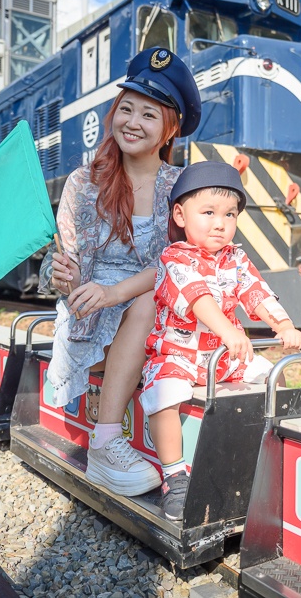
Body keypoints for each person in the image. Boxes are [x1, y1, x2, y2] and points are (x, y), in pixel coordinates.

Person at [39, 47, 202, 497]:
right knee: (146, 301)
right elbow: (67, 267)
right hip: (93, 311)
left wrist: (118, 294)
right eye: (125, 108)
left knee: (153, 297)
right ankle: (106, 444)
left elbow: (180, 265)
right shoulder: (82, 182)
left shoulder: (183, 187)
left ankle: (116, 439)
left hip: (157, 305)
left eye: (148, 114)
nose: (132, 121)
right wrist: (62, 276)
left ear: (169, 129)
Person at [140, 161, 301, 521]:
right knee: (164, 395)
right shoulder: (175, 257)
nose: (220, 223)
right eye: (209, 212)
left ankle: (278, 447)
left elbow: (257, 293)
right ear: (181, 216)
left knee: (269, 374)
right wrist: (229, 331)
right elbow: (198, 298)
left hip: (224, 357)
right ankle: (174, 476)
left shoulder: (237, 259)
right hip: (178, 354)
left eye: (230, 214)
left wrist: (283, 323)